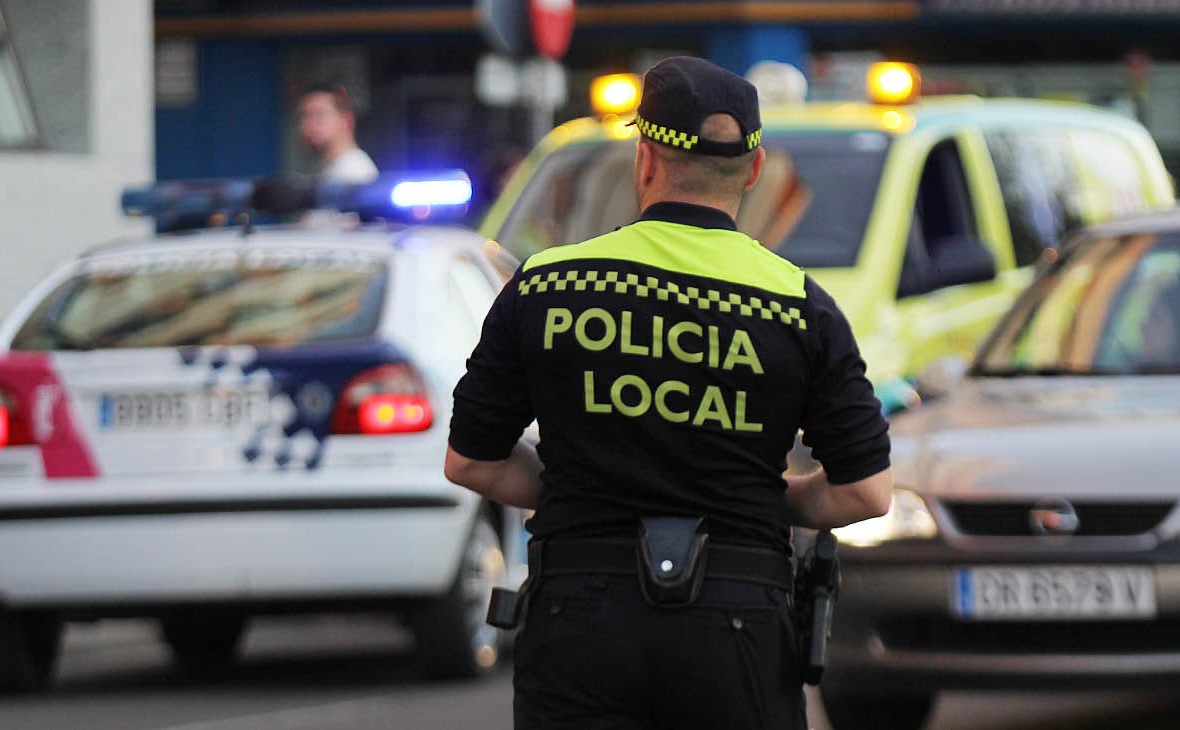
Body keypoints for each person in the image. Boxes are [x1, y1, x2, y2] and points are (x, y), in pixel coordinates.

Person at [445, 56, 892, 730]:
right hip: (738, 624)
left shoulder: (545, 285)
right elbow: (865, 493)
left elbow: (470, 461)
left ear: (645, 158)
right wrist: (757, 499)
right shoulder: (802, 308)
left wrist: (583, 490)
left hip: (578, 618)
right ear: (754, 169)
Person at [296, 82, 378, 184]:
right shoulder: (328, 170)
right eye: (303, 116)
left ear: (346, 121)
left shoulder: (354, 171)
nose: (308, 124)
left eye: (319, 115)